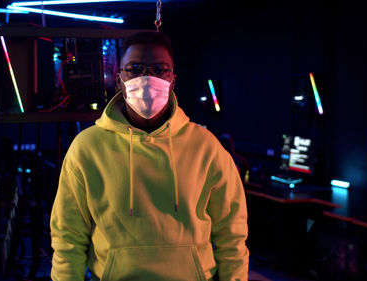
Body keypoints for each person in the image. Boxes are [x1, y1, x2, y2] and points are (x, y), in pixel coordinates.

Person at [50, 31, 249, 281]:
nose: (147, 77)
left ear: (173, 80)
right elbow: (67, 238)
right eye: (135, 68)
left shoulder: (206, 148)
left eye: (159, 68)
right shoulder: (86, 148)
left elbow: (232, 235)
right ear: (119, 78)